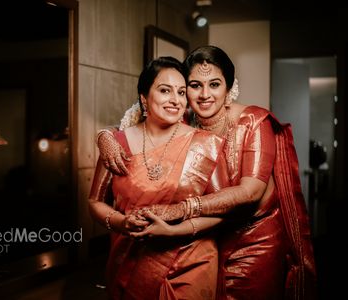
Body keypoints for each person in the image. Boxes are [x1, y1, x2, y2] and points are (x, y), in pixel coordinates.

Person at [96, 46, 317, 299]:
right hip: (203, 238)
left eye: (214, 84)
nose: (204, 95)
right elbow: (138, 125)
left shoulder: (254, 122)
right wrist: (105, 135)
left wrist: (181, 210)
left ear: (228, 87)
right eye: (194, 85)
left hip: (254, 239)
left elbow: (251, 191)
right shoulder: (184, 119)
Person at [88, 56, 231, 300]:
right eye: (165, 91)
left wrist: (178, 231)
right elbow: (95, 202)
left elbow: (223, 209)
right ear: (144, 97)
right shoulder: (116, 144)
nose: (176, 100)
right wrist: (123, 223)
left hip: (190, 264)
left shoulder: (204, 144)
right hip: (129, 262)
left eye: (181, 92)